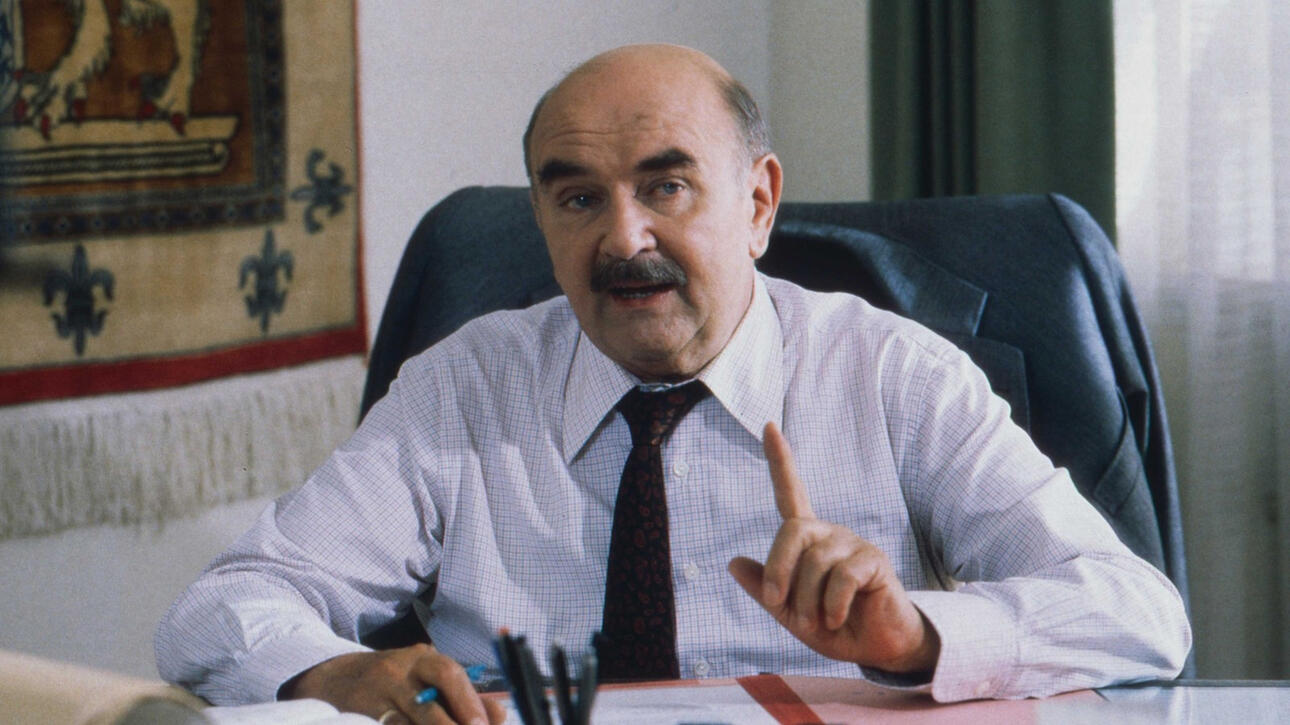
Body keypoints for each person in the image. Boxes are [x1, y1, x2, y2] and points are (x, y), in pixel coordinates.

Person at [155, 44, 1190, 725]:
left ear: (758, 202)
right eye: (577, 198)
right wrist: (334, 672)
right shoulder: (465, 387)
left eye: (667, 184)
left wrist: (916, 634)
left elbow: (1139, 613)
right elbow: (220, 609)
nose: (623, 238)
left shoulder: (893, 375)